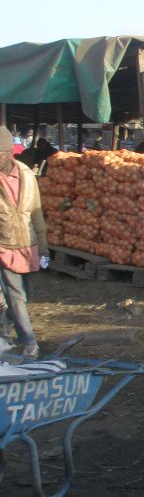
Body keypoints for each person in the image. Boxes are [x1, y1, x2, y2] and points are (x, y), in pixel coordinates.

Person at [0, 126, 48, 359]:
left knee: (27, 293)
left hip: (28, 243)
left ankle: (4, 323)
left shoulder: (27, 174)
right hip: (4, 245)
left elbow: (36, 213)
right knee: (15, 295)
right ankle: (28, 340)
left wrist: (44, 245)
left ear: (9, 153)